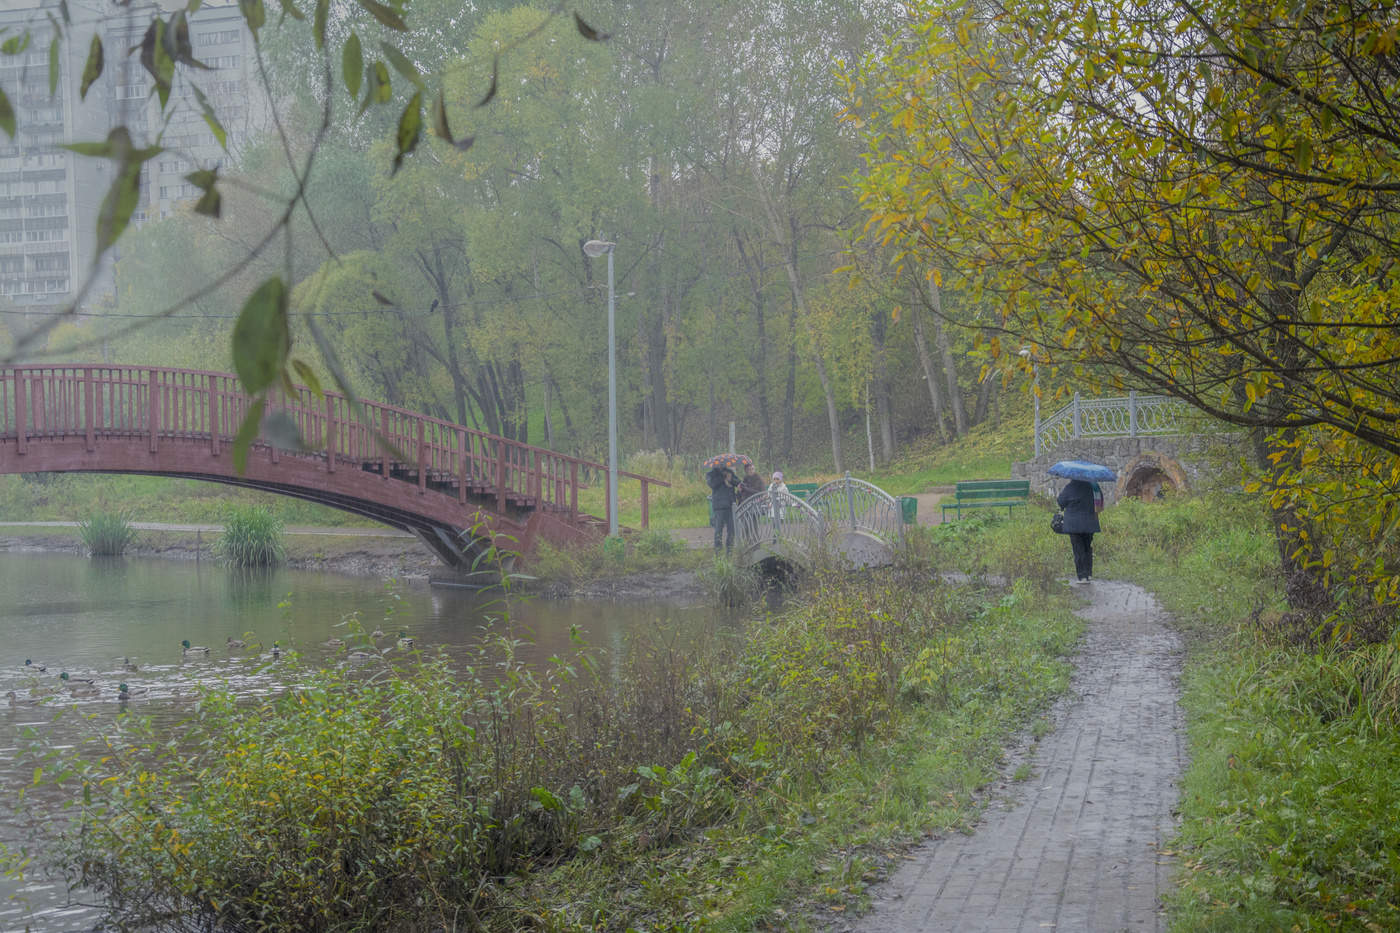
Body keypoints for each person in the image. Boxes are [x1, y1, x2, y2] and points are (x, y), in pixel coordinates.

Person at [1057, 477, 1101, 583]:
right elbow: (1099, 503)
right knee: (1087, 548)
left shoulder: (1070, 487)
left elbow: (1060, 502)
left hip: (1074, 525)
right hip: (1090, 523)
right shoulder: (1094, 487)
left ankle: (1082, 576)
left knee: (1078, 549)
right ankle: (1089, 574)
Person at [707, 466, 740, 555]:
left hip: (730, 505)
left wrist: (730, 479)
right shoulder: (711, 474)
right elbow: (712, 484)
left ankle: (729, 551)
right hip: (719, 507)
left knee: (731, 530)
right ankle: (718, 552)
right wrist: (723, 477)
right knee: (718, 530)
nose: (722, 465)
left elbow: (738, 483)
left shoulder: (730, 472)